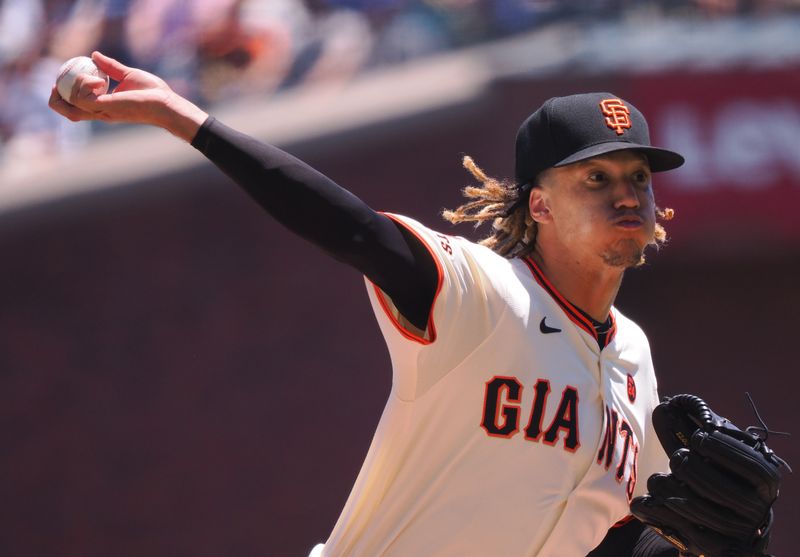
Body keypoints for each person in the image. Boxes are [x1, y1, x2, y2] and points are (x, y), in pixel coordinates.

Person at [49, 51, 686, 556]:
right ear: (540, 205)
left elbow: (612, 536)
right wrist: (184, 119)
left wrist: (714, 545)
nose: (627, 195)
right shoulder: (481, 291)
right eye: (596, 178)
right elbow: (351, 228)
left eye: (638, 177)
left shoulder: (634, 357)